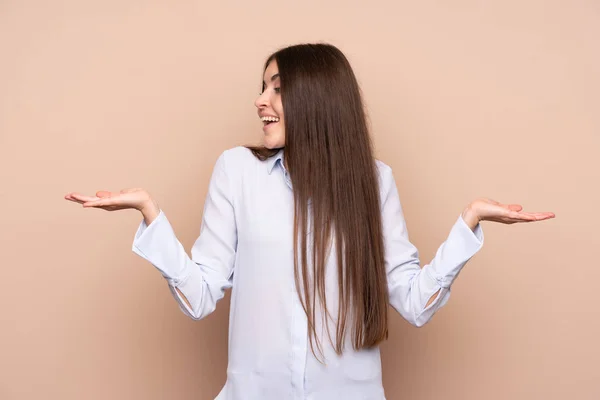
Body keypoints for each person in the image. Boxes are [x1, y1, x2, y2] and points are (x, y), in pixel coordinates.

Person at [64, 43, 555, 400]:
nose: (260, 100)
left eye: (277, 88)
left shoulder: (373, 181)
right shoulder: (236, 171)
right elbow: (199, 296)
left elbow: (413, 301)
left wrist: (468, 224)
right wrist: (149, 212)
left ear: (318, 99)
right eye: (261, 87)